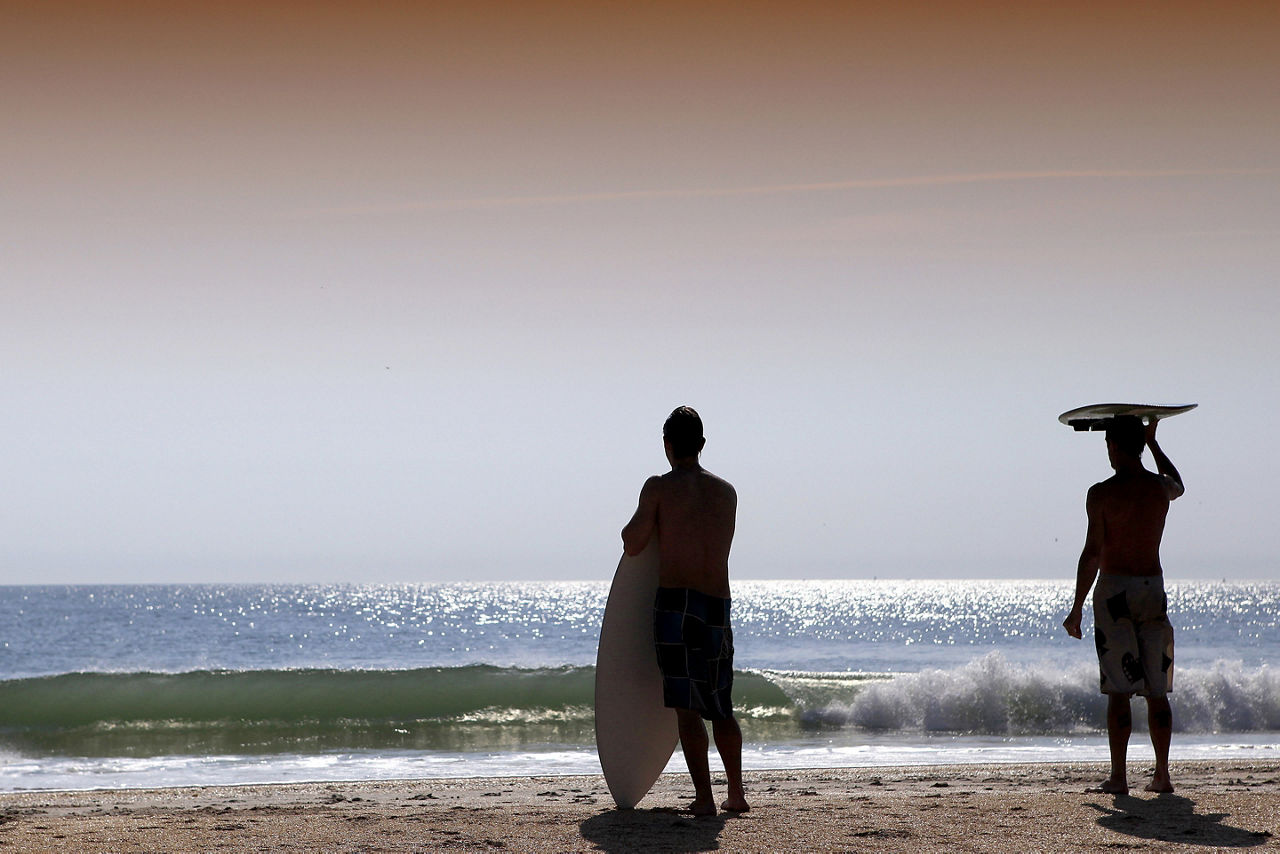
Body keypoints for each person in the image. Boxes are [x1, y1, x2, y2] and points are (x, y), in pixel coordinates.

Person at [621, 406, 749, 816]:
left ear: (667, 445)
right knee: (721, 706)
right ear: (703, 444)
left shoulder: (658, 487)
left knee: (687, 708)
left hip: (677, 606)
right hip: (717, 605)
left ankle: (705, 800)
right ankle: (736, 794)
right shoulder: (727, 492)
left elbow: (633, 543)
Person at [1063, 415, 1184, 794]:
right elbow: (1179, 484)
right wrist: (1153, 442)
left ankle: (1119, 777)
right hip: (1152, 586)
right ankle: (1161, 775)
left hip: (1114, 590)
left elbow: (1091, 554)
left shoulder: (1101, 493)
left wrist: (1077, 606)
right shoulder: (1158, 489)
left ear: (1113, 445)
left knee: (1119, 688)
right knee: (1156, 690)